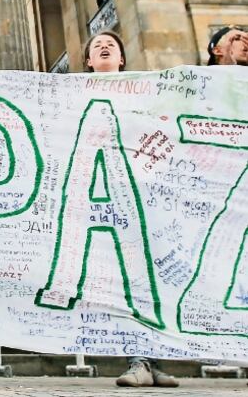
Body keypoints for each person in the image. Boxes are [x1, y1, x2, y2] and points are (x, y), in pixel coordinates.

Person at [78, 32, 183, 388]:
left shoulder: (146, 93)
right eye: (96, 46)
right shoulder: (74, 94)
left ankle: (153, 361)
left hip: (143, 195)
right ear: (89, 61)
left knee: (151, 281)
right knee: (122, 282)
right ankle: (138, 358)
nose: (104, 47)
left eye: (111, 45)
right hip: (99, 200)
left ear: (122, 58)